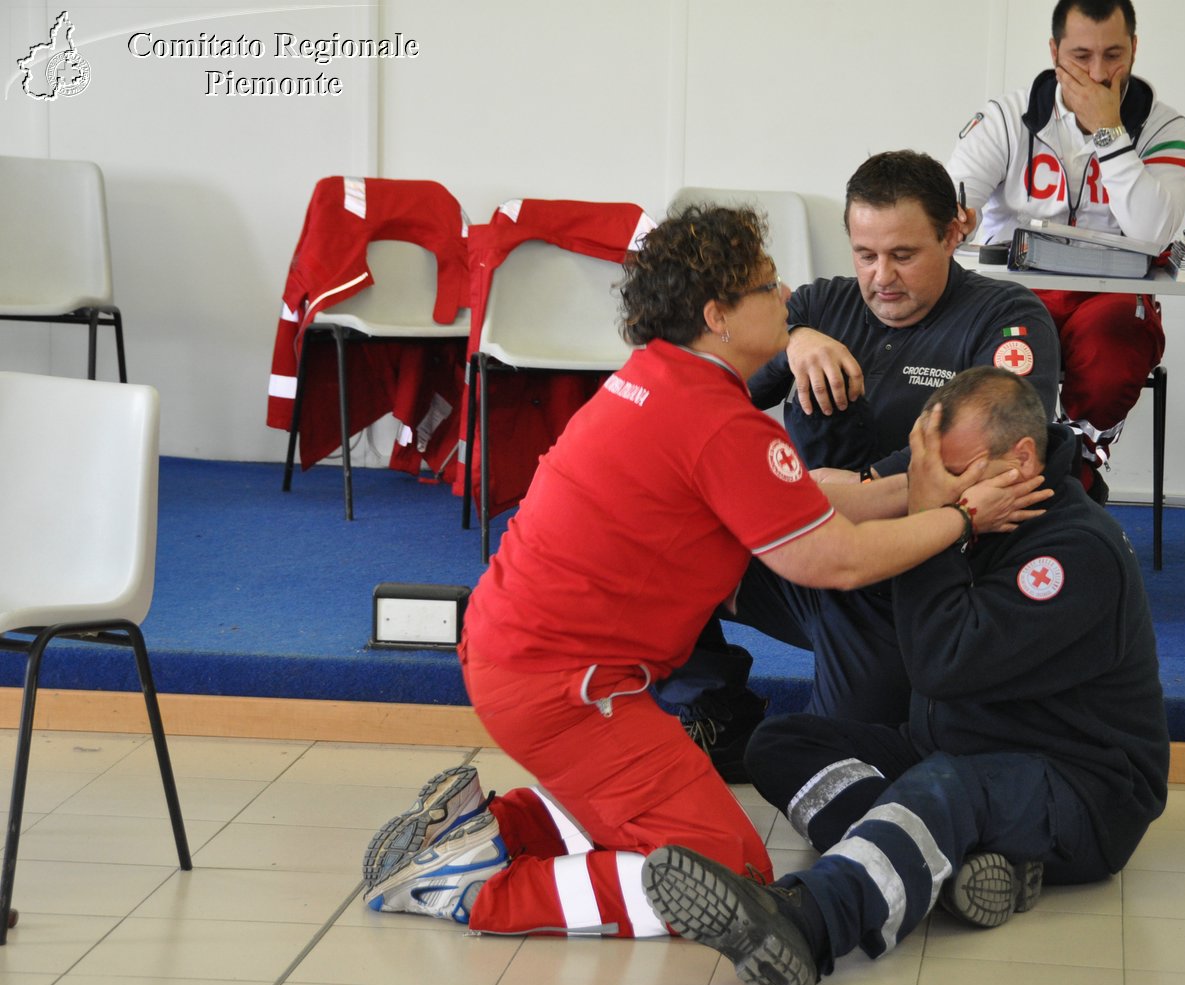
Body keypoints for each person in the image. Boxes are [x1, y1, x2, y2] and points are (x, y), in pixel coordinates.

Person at [360, 206, 1050, 936]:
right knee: (728, 868)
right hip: (563, 686)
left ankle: (491, 829)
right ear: (718, 315)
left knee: (654, 812)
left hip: (529, 663)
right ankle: (474, 889)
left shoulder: (665, 379)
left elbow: (796, 494)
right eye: (765, 286)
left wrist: (912, 492)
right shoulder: (717, 422)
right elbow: (836, 560)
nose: (786, 296)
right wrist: (963, 519)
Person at [642, 367, 1168, 985]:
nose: (939, 489)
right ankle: (945, 872)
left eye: (951, 473)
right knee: (780, 743)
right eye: (929, 474)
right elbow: (847, 510)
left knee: (947, 787)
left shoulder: (1074, 551)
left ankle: (807, 922)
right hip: (958, 749)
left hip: (1083, 789)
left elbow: (941, 663)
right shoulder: (969, 499)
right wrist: (928, 508)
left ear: (1022, 458)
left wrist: (934, 521)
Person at [659, 150, 1062, 761]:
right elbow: (687, 397)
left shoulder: (1006, 319)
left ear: (954, 232)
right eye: (865, 255)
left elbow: (998, 455)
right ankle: (716, 704)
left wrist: (865, 488)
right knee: (649, 532)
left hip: (909, 586)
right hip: (812, 554)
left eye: (904, 255)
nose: (882, 277)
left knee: (836, 765)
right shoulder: (821, 307)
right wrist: (792, 340)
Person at [946, 0, 1185, 497]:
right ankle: (1011, 486)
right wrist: (956, 220)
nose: (1099, 74)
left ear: (1135, 49)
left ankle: (1071, 477)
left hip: (1110, 295)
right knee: (1006, 365)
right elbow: (952, 211)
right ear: (1054, 51)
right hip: (1015, 291)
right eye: (1081, 56)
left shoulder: (1167, 127)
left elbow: (1154, 234)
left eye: (1114, 55)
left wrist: (1110, 132)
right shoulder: (1003, 118)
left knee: (1114, 349)